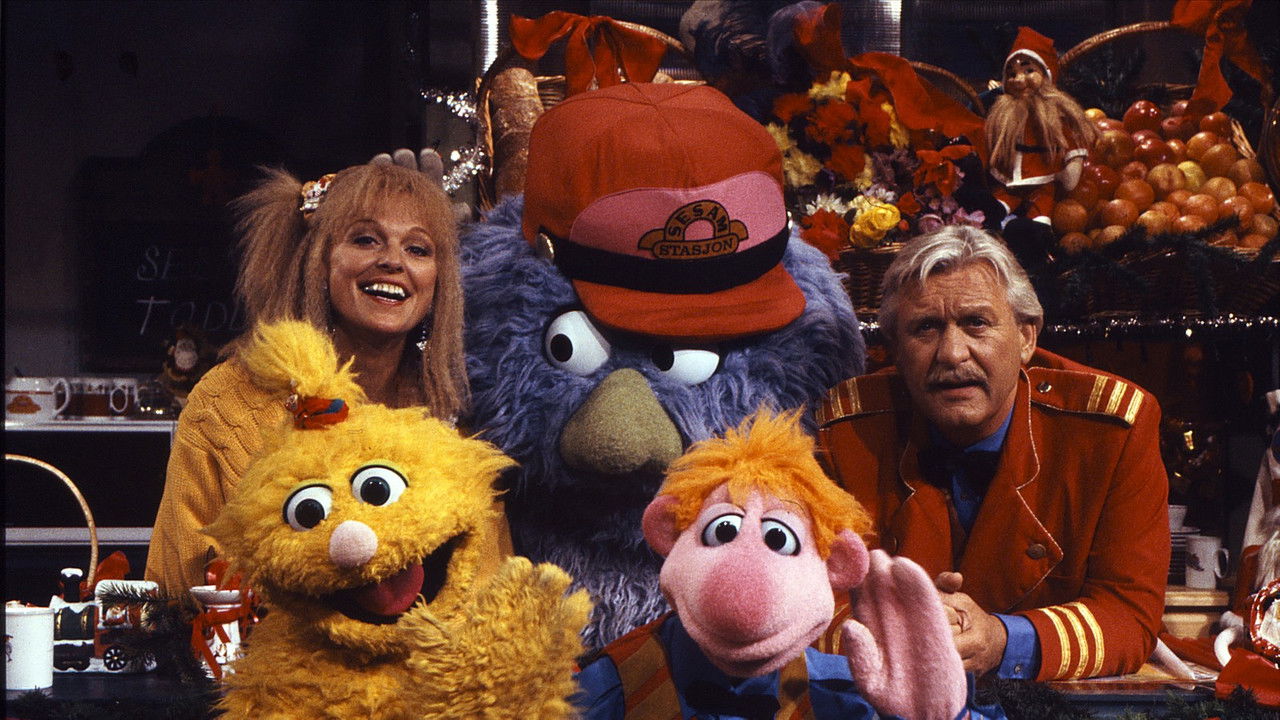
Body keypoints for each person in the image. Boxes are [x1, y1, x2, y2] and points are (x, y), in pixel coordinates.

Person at [816, 224, 1170, 681]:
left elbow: (1129, 613)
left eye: (976, 323)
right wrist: (900, 629)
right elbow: (805, 600)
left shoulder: (1111, 431)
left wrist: (1004, 640)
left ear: (1026, 338)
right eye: (925, 328)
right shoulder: (847, 432)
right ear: (896, 352)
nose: (951, 353)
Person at [146, 159, 511, 596]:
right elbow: (176, 592)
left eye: (418, 249)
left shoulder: (454, 413)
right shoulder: (227, 403)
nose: (393, 261)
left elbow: (489, 591)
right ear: (319, 261)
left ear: (439, 282)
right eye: (365, 239)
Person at [984, 27, 1097, 265]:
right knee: (992, 213)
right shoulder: (1004, 111)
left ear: (1046, 75)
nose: (1019, 79)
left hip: (1043, 182)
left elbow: (1070, 140)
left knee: (1038, 220)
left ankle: (1033, 244)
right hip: (1007, 182)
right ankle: (1001, 230)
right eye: (1012, 74)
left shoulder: (1056, 114)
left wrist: (1071, 166)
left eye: (1028, 70)